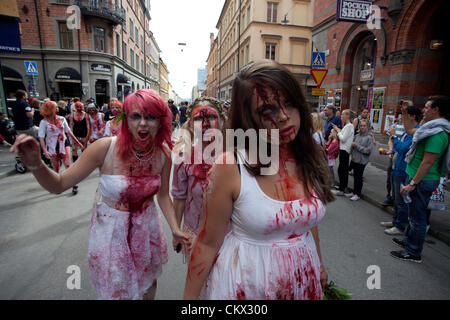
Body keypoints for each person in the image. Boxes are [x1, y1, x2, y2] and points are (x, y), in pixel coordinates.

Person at [10, 89, 190, 299]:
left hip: (146, 230)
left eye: (150, 117)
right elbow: (58, 185)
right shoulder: (105, 148)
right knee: (116, 292)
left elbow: (162, 196)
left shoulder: (163, 154)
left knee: (148, 287)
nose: (143, 124)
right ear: (126, 119)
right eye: (136, 116)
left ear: (161, 122)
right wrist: (36, 164)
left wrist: (175, 228)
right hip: (111, 234)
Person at [183, 60, 334, 300]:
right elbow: (207, 244)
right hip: (246, 287)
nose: (284, 117)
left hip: (302, 283)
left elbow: (305, 221)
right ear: (248, 118)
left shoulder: (309, 156)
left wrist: (320, 264)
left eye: (290, 103)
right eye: (268, 110)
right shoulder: (231, 166)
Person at [391, 95, 450, 263]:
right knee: (413, 214)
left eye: (427, 107)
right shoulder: (429, 129)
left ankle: (413, 251)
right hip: (416, 177)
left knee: (418, 217)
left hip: (422, 180)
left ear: (436, 109)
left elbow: (428, 162)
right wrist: (403, 112)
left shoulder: (437, 134)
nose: (424, 110)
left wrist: (412, 183)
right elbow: (410, 130)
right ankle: (409, 241)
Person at [171, 97, 227, 262]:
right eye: (197, 119)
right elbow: (179, 198)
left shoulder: (234, 157)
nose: (204, 124)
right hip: (194, 235)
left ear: (222, 122)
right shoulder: (183, 157)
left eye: (210, 117)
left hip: (229, 237)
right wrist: (176, 231)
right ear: (190, 124)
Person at [380, 106, 421, 235]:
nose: (400, 118)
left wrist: (393, 136)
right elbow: (399, 149)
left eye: (404, 115)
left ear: (412, 116)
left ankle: (400, 225)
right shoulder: (406, 132)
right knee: (397, 199)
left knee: (401, 200)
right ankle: (395, 220)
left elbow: (404, 148)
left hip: (404, 170)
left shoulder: (416, 132)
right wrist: (390, 151)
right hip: (396, 167)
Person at [37, 101, 84, 194]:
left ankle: (73, 184)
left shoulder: (62, 119)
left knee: (68, 165)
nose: (58, 108)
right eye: (55, 107)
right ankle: (57, 185)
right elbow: (41, 137)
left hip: (64, 143)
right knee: (56, 168)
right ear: (50, 109)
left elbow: (68, 131)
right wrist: (45, 151)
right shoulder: (43, 122)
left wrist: (77, 142)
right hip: (52, 146)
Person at [345, 119, 373, 201]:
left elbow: (368, 151)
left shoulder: (369, 138)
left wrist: (357, 146)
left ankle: (358, 194)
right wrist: (352, 147)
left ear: (367, 127)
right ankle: (354, 192)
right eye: (361, 126)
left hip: (362, 161)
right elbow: (353, 146)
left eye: (364, 126)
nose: (362, 127)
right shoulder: (357, 136)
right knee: (355, 177)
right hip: (354, 159)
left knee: (359, 178)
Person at [332, 109, 355, 196]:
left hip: (345, 150)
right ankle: (342, 187)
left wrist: (338, 131)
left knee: (342, 170)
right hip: (343, 149)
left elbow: (343, 138)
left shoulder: (349, 126)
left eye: (343, 115)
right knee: (342, 169)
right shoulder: (347, 126)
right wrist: (338, 129)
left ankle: (342, 189)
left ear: (347, 116)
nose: (341, 116)